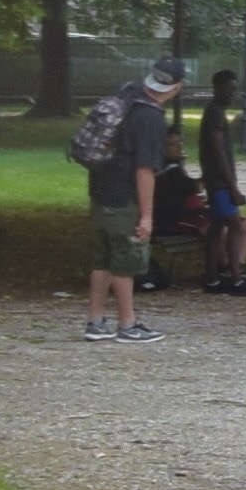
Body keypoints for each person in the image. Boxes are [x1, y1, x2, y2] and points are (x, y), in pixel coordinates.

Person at [74, 59, 170, 344]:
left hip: (100, 188)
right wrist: (147, 216)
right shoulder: (151, 117)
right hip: (124, 196)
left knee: (101, 257)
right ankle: (127, 325)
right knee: (125, 259)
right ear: (176, 87)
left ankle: (95, 320)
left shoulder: (125, 98)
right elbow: (144, 170)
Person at [192, 73, 246, 294]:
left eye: (235, 89)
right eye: (230, 89)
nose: (233, 94)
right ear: (218, 88)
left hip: (216, 180)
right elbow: (218, 151)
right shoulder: (215, 114)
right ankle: (234, 277)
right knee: (235, 224)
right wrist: (232, 186)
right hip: (219, 182)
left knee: (217, 227)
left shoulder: (214, 112)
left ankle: (212, 277)